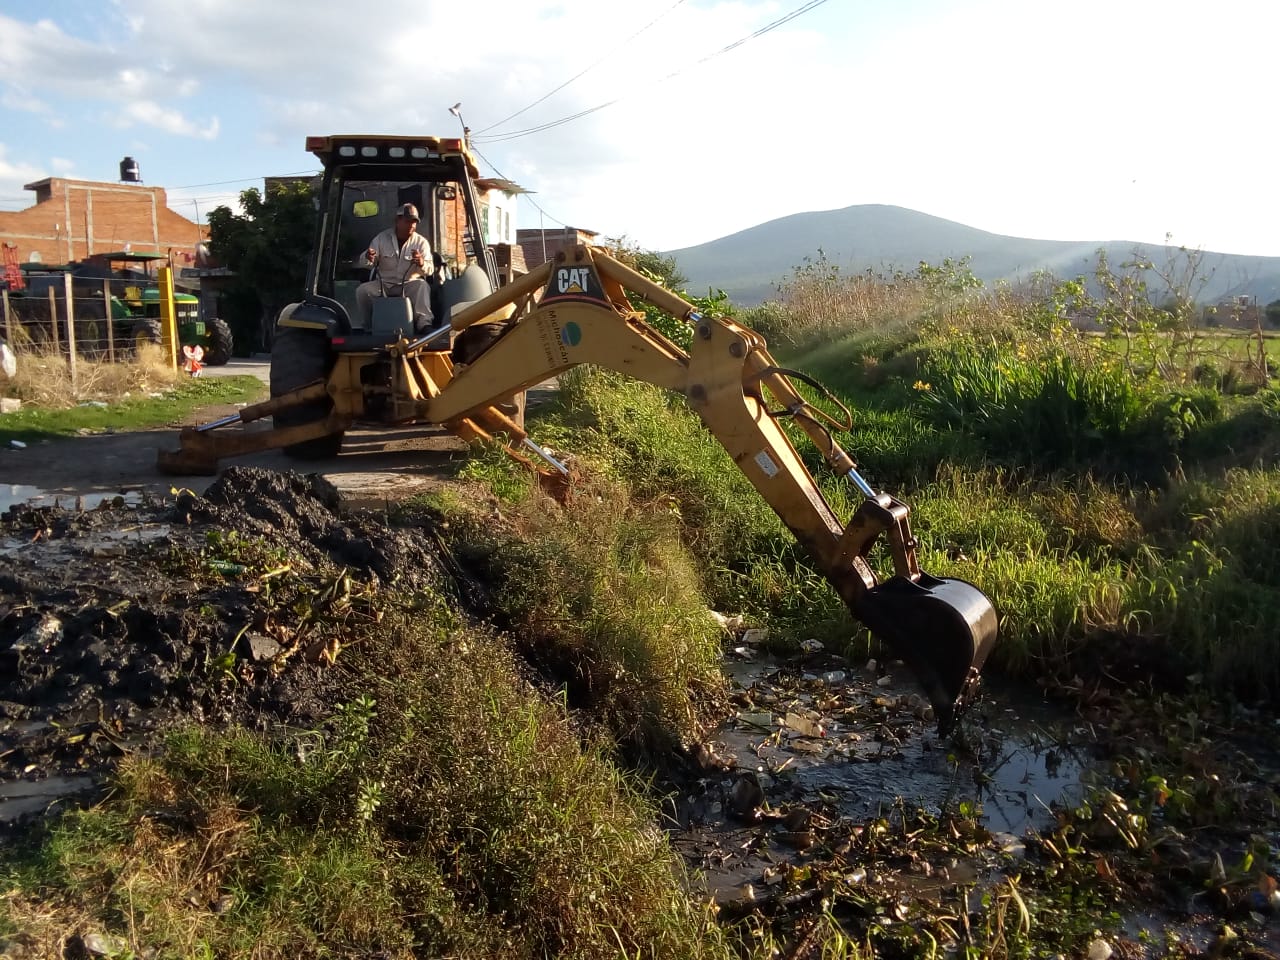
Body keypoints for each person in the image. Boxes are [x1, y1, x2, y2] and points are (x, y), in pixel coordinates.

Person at [356, 203, 434, 332]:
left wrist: (421, 263)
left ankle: (424, 325)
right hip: (384, 284)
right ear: (397, 221)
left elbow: (430, 269)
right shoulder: (381, 238)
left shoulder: (421, 242)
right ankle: (369, 326)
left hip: (409, 284)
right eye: (408, 221)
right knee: (362, 291)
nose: (412, 225)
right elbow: (366, 263)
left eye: (414, 222)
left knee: (422, 286)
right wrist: (368, 257)